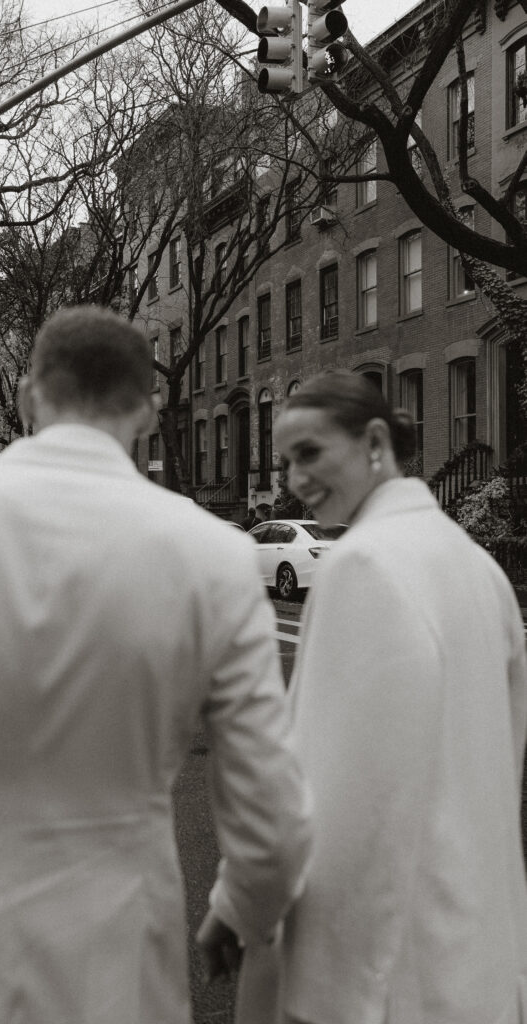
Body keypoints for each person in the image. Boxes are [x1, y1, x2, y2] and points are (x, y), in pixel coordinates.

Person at [0, 306, 312, 1024]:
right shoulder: (212, 556)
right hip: (115, 955)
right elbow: (269, 806)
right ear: (151, 413)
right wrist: (245, 908)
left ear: (30, 396)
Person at [250, 369, 526, 1024]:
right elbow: (501, 764)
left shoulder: (363, 565)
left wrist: (273, 943)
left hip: (383, 976)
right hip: (477, 954)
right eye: (286, 460)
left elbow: (329, 801)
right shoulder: (480, 571)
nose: (292, 478)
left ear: (375, 441)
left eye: (309, 452)